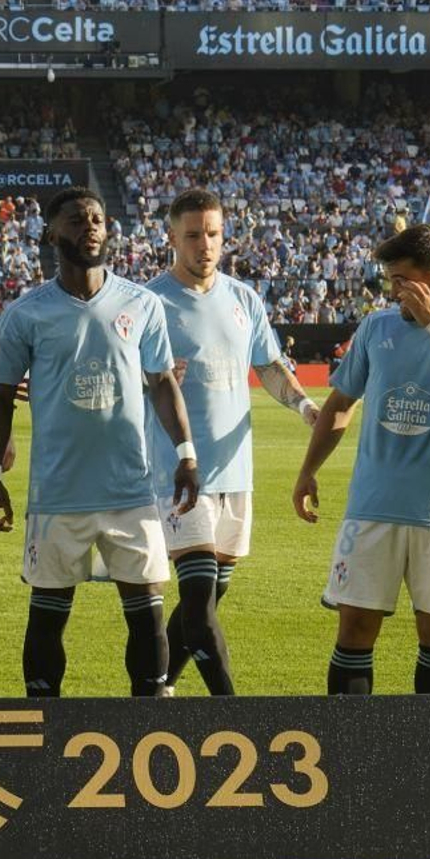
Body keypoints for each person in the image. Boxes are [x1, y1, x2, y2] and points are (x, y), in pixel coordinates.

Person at [0, 187, 200, 697]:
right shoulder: (26, 313)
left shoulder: (140, 303)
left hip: (129, 488)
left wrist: (186, 454)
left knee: (147, 615)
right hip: (58, 494)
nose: (91, 227)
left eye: (98, 219)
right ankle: (45, 720)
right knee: (47, 618)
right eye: (77, 220)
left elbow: (162, 382)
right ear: (51, 234)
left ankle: (150, 716)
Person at [292, 224, 430, 694]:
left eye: (402, 282)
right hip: (372, 509)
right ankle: (350, 753)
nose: (392, 293)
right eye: (389, 281)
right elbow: (340, 404)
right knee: (353, 631)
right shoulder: (376, 326)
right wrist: (308, 471)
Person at [146, 189, 320, 696]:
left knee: (204, 605)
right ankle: (231, 708)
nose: (206, 245)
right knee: (198, 603)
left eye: (214, 234)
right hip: (180, 471)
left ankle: (157, 691)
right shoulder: (150, 302)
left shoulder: (243, 299)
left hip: (235, 473)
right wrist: (148, 377)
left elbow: (267, 365)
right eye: (194, 235)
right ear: (172, 238)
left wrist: (304, 404)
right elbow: (132, 378)